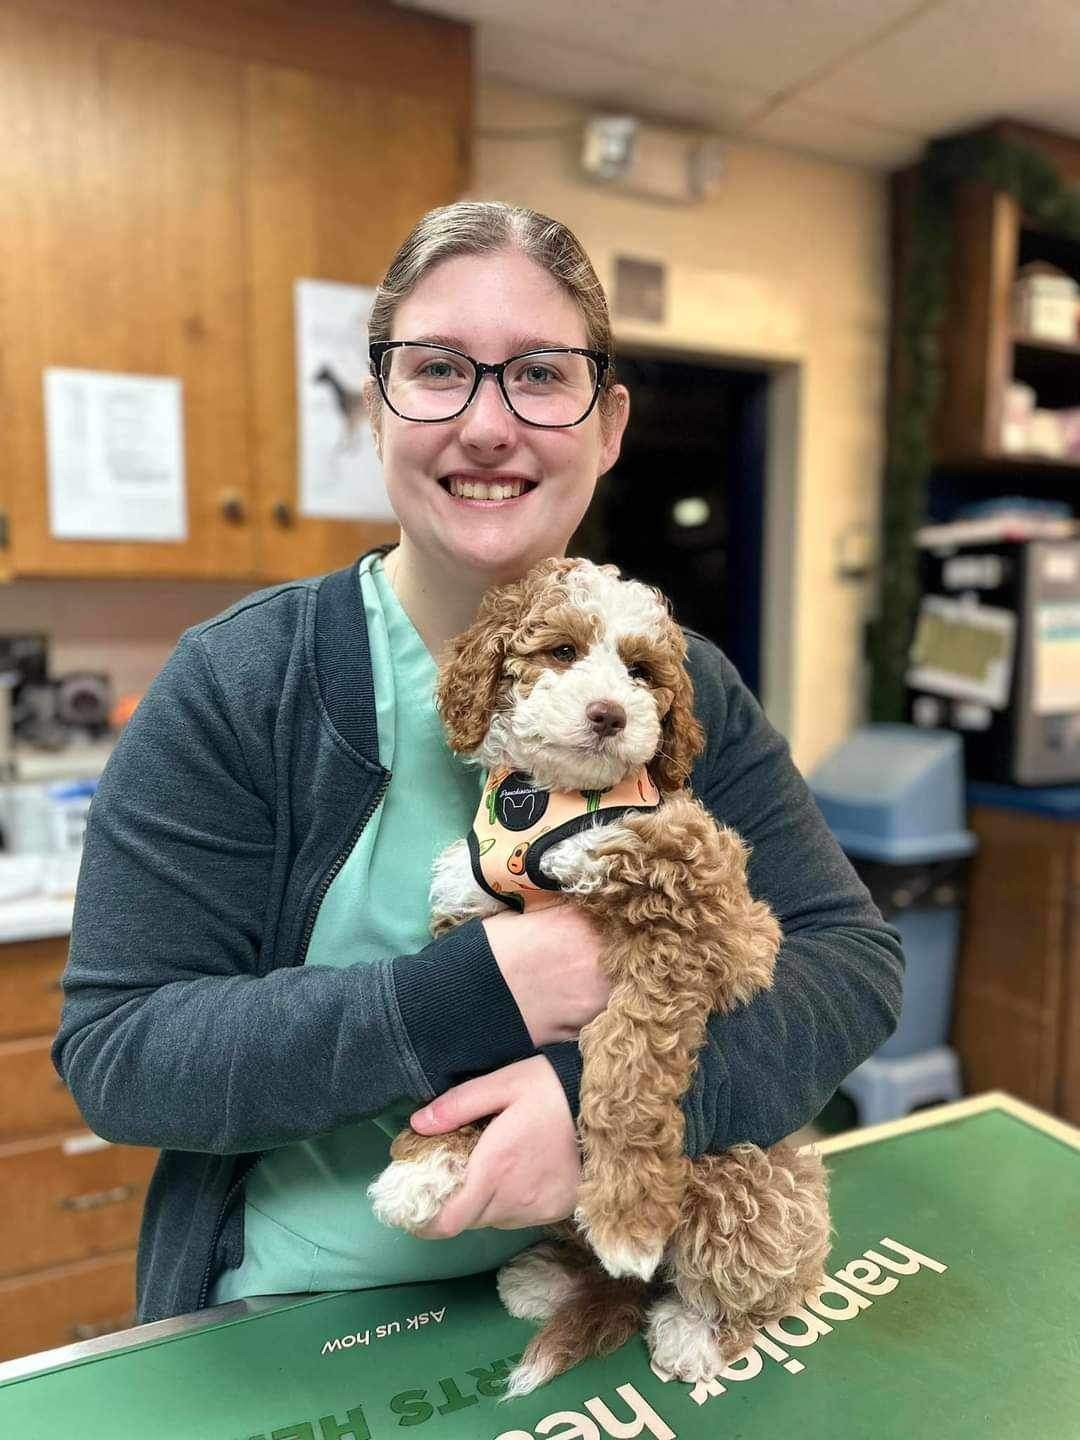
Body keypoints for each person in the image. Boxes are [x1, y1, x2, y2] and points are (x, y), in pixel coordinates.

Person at [53, 201, 903, 1325]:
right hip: (299, 1316)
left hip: (602, 1294)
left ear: (608, 426)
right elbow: (124, 1054)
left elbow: (851, 960)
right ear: (377, 409)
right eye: (440, 369)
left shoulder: (680, 684)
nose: (489, 426)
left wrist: (598, 1102)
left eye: (541, 375)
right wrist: (475, 993)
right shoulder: (240, 685)